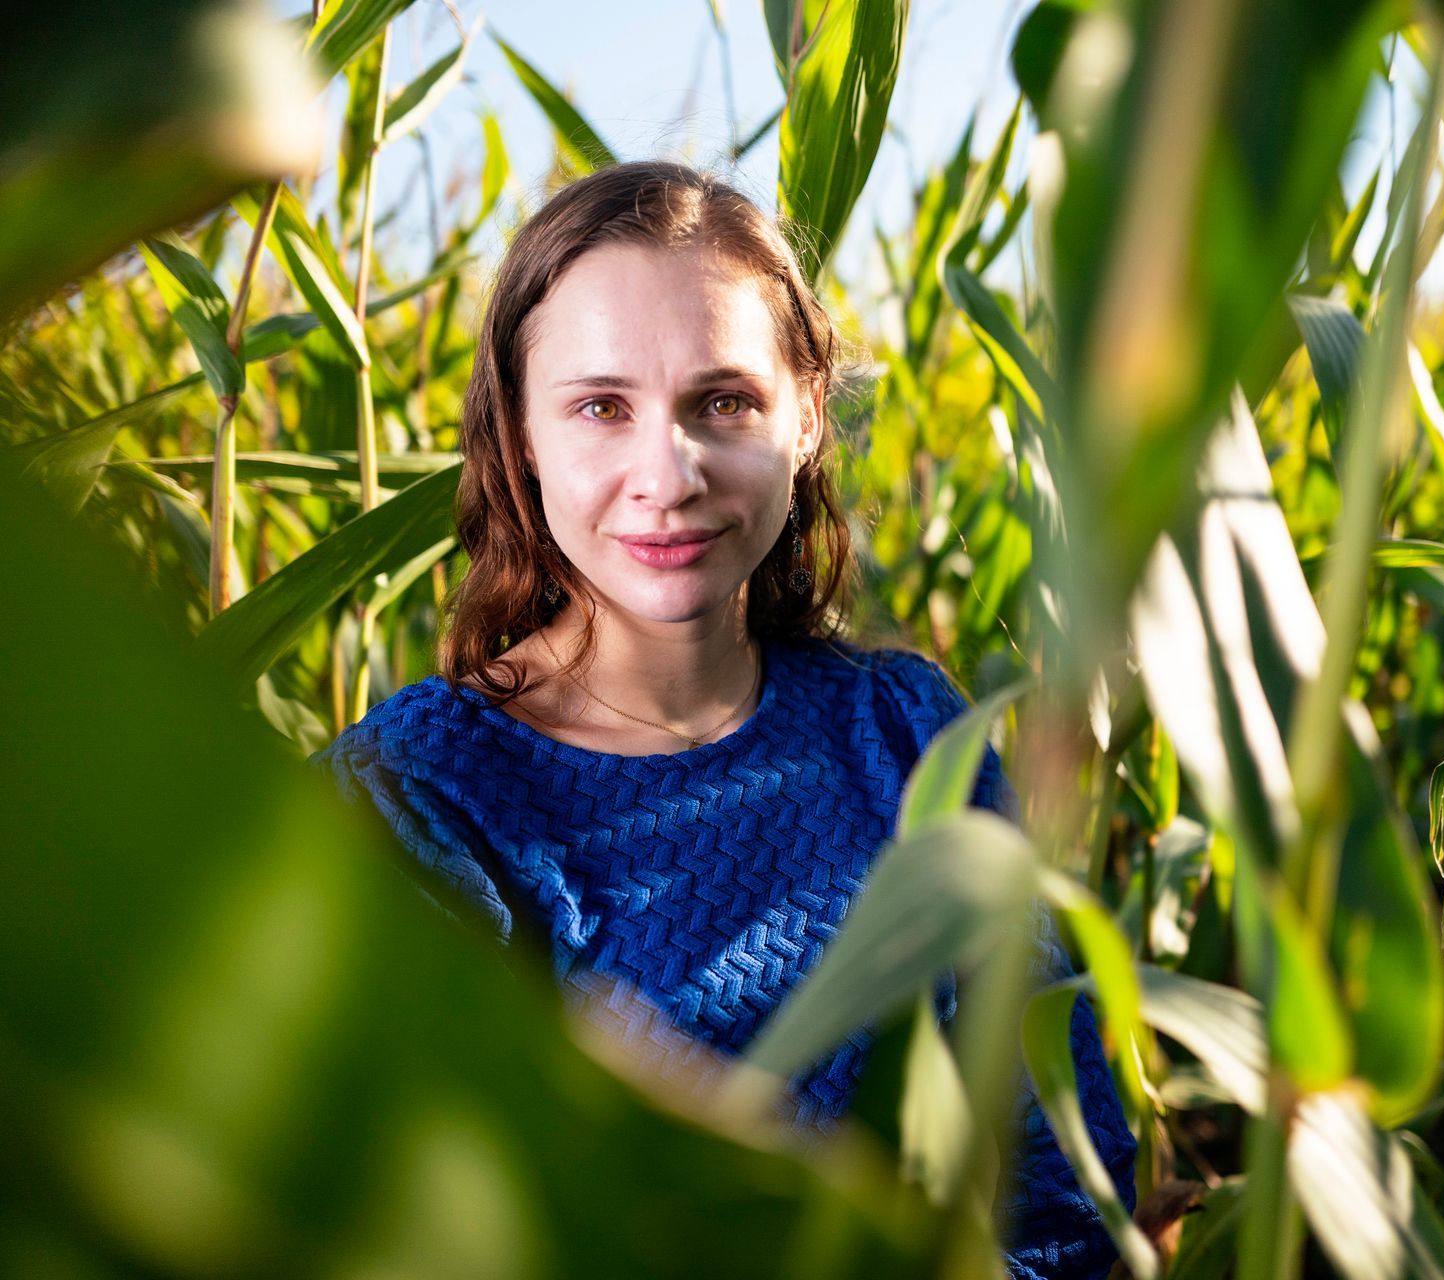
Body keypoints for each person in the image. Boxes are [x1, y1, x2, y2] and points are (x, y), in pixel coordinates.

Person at [310, 159, 1137, 1279]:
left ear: (804, 415)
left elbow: (1064, 1181)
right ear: (518, 437)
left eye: (723, 401)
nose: (671, 471)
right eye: (603, 406)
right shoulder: (413, 797)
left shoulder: (909, 738)